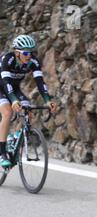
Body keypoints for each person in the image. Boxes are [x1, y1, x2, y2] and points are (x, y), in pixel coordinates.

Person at [0, 34, 57, 167]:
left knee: (28, 110)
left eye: (31, 52)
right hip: (2, 87)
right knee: (8, 113)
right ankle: (2, 153)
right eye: (25, 53)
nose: (29, 56)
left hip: (14, 88)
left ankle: (15, 137)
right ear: (17, 52)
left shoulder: (33, 62)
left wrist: (48, 100)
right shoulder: (6, 60)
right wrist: (13, 100)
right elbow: (6, 82)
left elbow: (40, 82)